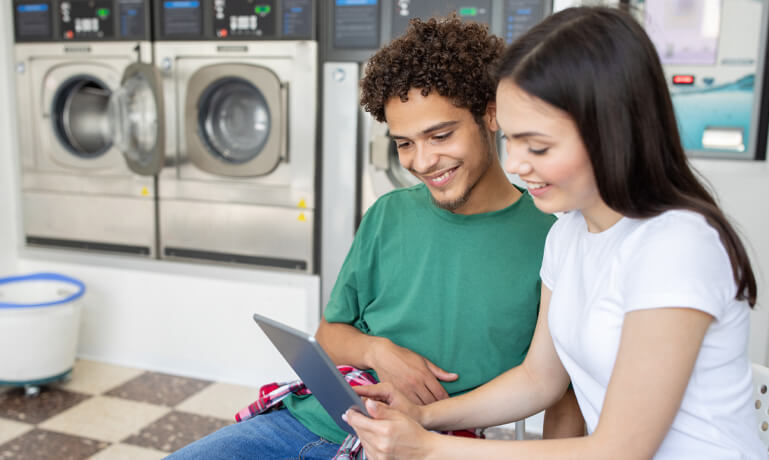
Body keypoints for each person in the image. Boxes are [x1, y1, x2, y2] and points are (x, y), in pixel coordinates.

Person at [345, 6, 765, 459]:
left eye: (538, 146)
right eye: (513, 141)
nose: (517, 165)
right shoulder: (568, 234)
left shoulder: (677, 245)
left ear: (610, 130)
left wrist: (428, 448)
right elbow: (538, 380)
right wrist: (424, 417)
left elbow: (619, 450)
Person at [167, 16, 584, 460]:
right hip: (312, 417)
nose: (423, 161)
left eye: (440, 135)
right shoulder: (389, 214)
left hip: (423, 442)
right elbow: (329, 333)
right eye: (404, 143)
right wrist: (377, 350)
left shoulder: (552, 239)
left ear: (491, 114)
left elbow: (559, 391)